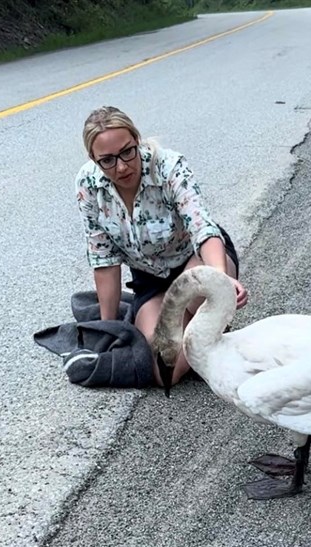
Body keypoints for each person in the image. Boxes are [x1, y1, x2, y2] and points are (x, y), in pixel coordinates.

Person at [75, 106, 247, 387]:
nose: (121, 167)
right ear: (93, 159)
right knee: (165, 370)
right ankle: (196, 333)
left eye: (127, 152)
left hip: (195, 259)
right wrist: (109, 330)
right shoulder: (88, 185)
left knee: (197, 294)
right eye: (107, 160)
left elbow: (202, 227)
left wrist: (220, 276)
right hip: (151, 281)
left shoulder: (169, 166)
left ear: (137, 139)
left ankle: (198, 322)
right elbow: (103, 259)